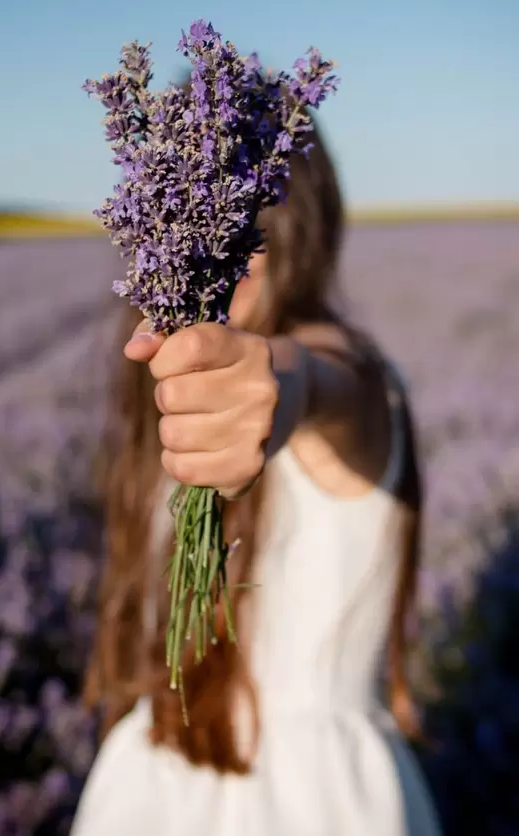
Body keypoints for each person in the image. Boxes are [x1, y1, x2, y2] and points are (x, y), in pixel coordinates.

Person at [71, 119, 442, 836]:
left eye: (246, 231)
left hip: (318, 804)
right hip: (156, 781)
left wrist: (277, 382)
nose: (221, 256)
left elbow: (315, 378)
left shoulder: (353, 378)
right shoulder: (164, 391)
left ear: (296, 231)